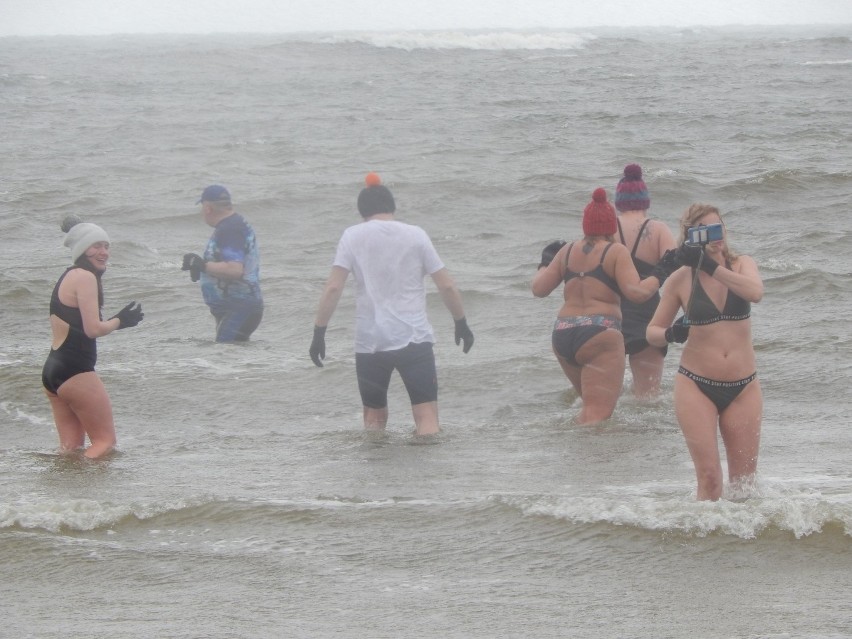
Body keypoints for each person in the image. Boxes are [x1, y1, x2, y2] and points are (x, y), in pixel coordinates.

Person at [309, 173, 474, 436]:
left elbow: (333, 287)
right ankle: (432, 473)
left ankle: (377, 473)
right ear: (392, 207)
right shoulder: (416, 235)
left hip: (370, 342)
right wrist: (461, 323)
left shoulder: (352, 236)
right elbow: (446, 285)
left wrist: (319, 332)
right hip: (414, 338)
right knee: (426, 415)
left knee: (373, 419)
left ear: (362, 212)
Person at [531, 188, 677, 425]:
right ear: (610, 225)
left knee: (590, 408)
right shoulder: (615, 251)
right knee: (598, 415)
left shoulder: (567, 250)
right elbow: (637, 293)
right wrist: (660, 272)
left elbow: (538, 289)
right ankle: (593, 460)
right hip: (599, 333)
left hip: (563, 333)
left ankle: (583, 456)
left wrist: (545, 262)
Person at [646, 204, 763, 501]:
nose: (716, 236)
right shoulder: (680, 280)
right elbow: (652, 333)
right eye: (707, 231)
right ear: (692, 237)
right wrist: (672, 334)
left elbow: (755, 293)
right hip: (696, 385)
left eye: (719, 227)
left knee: (744, 485)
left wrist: (712, 267)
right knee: (710, 480)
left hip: (744, 387)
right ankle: (704, 546)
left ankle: (738, 546)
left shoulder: (742, 265)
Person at [42, 216, 144, 458]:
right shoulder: (85, 277)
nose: (104, 252)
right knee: (104, 442)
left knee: (70, 450)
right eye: (96, 246)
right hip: (75, 371)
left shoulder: (68, 276)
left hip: (53, 371)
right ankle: (97, 495)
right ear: (82, 249)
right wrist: (121, 321)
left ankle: (63, 493)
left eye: (106, 246)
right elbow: (93, 329)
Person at [614, 164, 677, 398]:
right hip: (648, 313)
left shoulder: (606, 229)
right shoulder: (658, 229)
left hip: (612, 312)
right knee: (648, 397)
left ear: (618, 201)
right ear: (645, 201)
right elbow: (677, 264)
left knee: (604, 396)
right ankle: (646, 434)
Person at [182, 185, 263, 342]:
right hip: (237, 307)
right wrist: (200, 266)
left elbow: (235, 269)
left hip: (239, 308)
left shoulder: (230, 229)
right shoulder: (232, 225)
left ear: (208, 208)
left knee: (226, 359)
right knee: (231, 358)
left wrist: (203, 266)